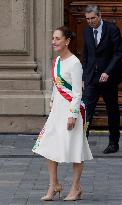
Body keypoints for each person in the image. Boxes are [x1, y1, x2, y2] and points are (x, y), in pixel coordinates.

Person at [32, 26, 93, 201]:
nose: (54, 41)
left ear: (67, 41)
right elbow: (56, 86)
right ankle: (54, 185)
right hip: (57, 110)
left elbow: (77, 93)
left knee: (75, 148)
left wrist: (73, 115)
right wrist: (51, 102)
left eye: (57, 38)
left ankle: (76, 187)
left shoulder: (75, 63)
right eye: (53, 38)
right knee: (48, 146)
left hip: (70, 111)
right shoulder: (58, 61)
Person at [83, 5, 122, 154]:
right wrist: (84, 77)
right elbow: (87, 56)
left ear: (100, 15)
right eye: (87, 19)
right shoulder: (87, 31)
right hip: (91, 79)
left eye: (93, 18)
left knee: (112, 110)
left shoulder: (112, 29)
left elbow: (118, 52)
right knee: (86, 111)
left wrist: (107, 72)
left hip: (109, 78)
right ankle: (82, 142)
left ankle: (114, 143)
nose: (90, 22)